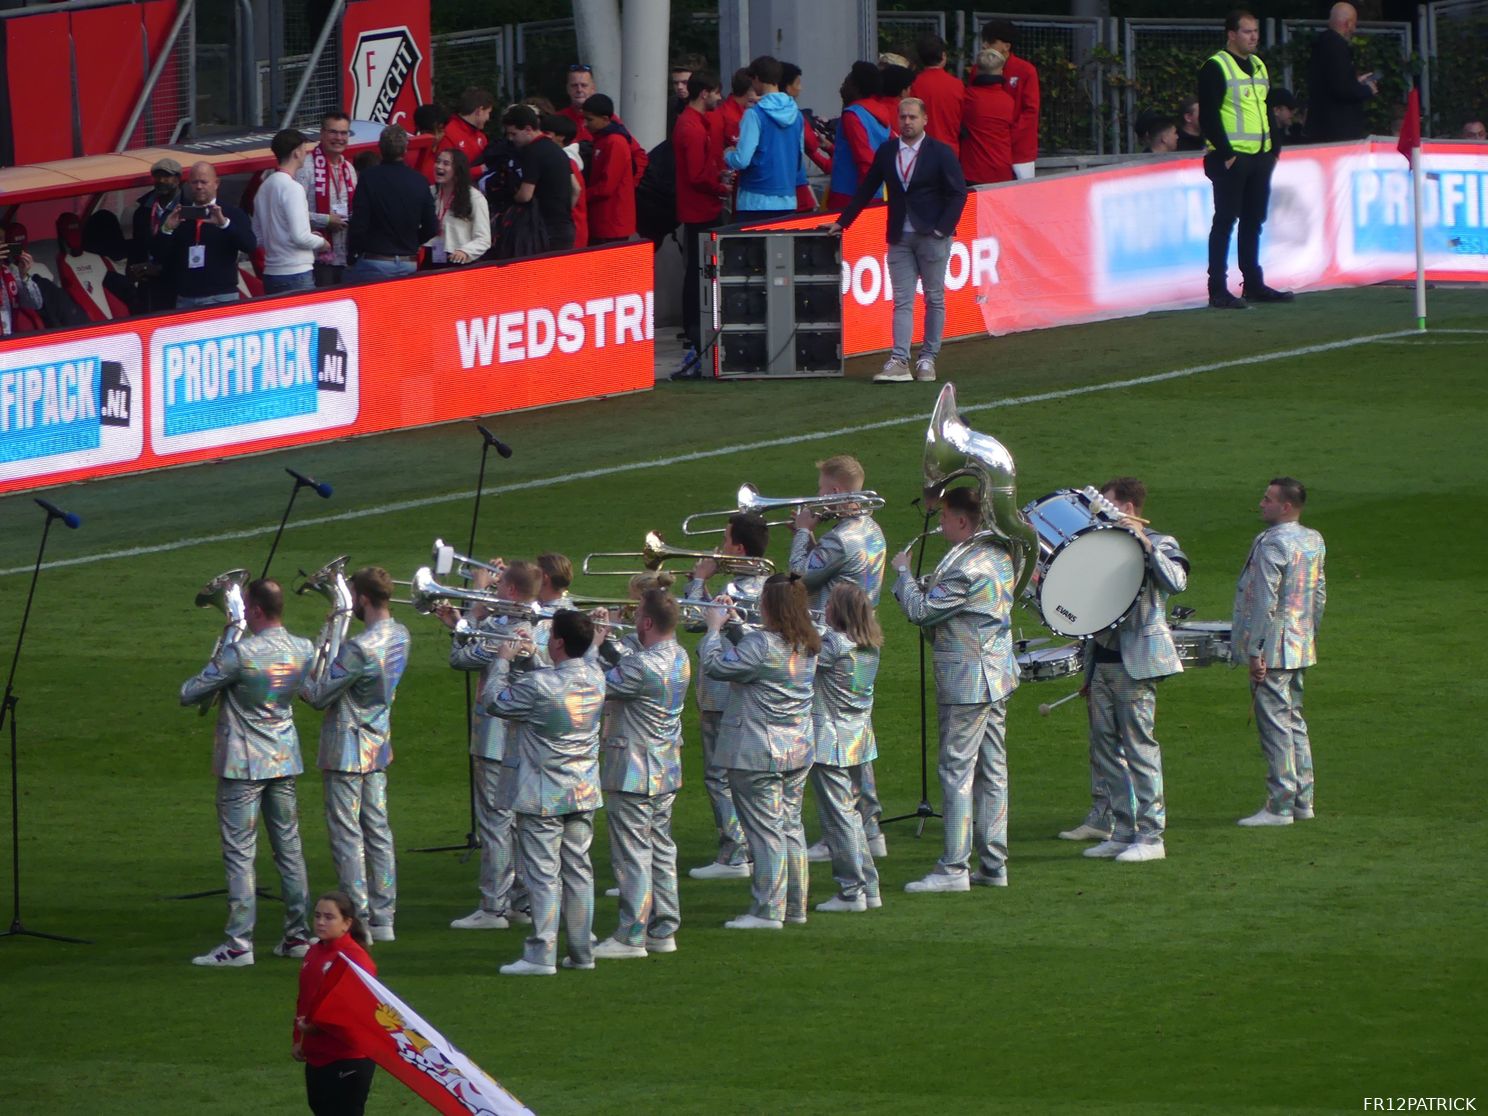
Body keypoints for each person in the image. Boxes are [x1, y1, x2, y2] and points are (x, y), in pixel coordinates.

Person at [180, 578, 314, 966]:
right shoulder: (303, 648)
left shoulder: (241, 654)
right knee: (290, 849)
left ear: (254, 610)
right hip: (284, 759)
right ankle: (297, 936)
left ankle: (239, 944)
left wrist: (225, 638)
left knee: (240, 853)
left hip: (242, 764)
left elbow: (190, 692)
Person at [891, 486, 1017, 892]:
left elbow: (920, 611)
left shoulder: (967, 567)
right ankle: (994, 865)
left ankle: (953, 868)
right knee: (993, 772)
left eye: (945, 517)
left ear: (963, 521)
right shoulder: (997, 555)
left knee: (957, 771)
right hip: (997, 677)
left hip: (967, 682)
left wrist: (903, 576)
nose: (939, 523)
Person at [1063, 479, 1188, 864]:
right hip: (1101, 663)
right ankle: (1123, 830)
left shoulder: (1162, 542)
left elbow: (1177, 582)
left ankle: (1152, 836)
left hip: (1136, 663)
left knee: (1139, 748)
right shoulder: (1100, 546)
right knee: (1105, 752)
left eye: (1110, 507)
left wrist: (1145, 544)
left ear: (1130, 508)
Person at [486, 610, 606, 975]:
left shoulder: (539, 687)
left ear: (557, 641)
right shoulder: (597, 676)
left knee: (543, 876)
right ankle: (582, 952)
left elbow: (495, 701)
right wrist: (533, 658)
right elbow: (555, 682)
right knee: (579, 872)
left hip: (542, 795)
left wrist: (503, 661)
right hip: (582, 790)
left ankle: (541, 954)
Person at [700, 573, 820, 930]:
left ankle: (768, 910)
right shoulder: (808, 641)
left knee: (765, 832)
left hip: (756, 750)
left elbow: (716, 666)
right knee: (789, 827)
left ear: (771, 606)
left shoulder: (763, 645)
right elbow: (755, 656)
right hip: (797, 747)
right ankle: (795, 906)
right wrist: (736, 625)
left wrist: (712, 631)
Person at [298, 567, 411, 940]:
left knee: (348, 836)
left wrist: (299, 671)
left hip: (346, 749)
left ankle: (357, 919)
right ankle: (385, 917)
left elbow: (317, 696)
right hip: (378, 745)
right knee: (378, 831)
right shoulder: (401, 635)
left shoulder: (359, 648)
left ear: (361, 599)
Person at [789, 454, 889, 860]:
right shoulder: (873, 529)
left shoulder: (839, 538)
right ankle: (870, 826)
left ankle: (839, 835)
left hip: (834, 644)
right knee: (857, 736)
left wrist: (802, 533)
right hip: (865, 639)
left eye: (820, 491)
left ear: (833, 492)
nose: (816, 498)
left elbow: (797, 577)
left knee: (832, 742)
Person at [827, 97, 968, 384]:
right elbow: (868, 188)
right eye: (902, 117)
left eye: (912, 117)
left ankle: (928, 358)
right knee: (902, 300)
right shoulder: (888, 151)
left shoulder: (940, 152)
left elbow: (958, 193)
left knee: (934, 297)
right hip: (899, 236)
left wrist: (942, 230)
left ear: (925, 119)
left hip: (932, 236)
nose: (907, 122)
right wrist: (843, 222)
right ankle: (900, 360)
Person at [591, 590, 691, 959]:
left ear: (647, 622)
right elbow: (628, 664)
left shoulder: (641, 667)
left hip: (632, 771)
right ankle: (663, 930)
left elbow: (591, 686)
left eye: (637, 619)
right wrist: (610, 640)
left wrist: (591, 646)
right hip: (665, 769)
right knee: (661, 850)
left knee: (632, 855)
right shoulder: (679, 657)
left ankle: (632, 935)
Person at [444, 560, 541, 930]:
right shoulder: (536, 623)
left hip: (495, 739)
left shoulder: (504, 631)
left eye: (500, 586)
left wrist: (471, 614)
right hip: (524, 740)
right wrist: (463, 624)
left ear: (513, 592)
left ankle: (493, 907)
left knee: (496, 824)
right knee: (515, 823)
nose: (494, 590)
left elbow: (461, 659)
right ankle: (519, 901)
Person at [1232, 477, 1326, 828]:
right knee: (1294, 721)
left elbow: (1263, 600)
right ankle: (1304, 800)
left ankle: (1280, 805)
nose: (1261, 503)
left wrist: (1255, 650)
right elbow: (1319, 594)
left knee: (1275, 726)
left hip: (1273, 647)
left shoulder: (1272, 543)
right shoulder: (1313, 539)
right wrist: (1309, 634)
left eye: (1268, 499)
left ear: (1285, 506)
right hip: (1301, 642)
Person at [685, 512, 770, 881]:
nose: (719, 548)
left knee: (719, 777)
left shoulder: (733, 591)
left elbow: (692, 618)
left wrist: (698, 582)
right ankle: (751, 846)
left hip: (720, 694)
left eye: (724, 540)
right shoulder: (772, 585)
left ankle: (734, 853)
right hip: (755, 693)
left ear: (738, 548)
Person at [1198, 10, 1291, 311]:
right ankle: (1217, 290)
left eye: (1256, 31)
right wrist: (1226, 154)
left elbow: (1266, 109)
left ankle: (1253, 283)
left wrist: (1272, 150)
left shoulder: (1258, 65)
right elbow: (1209, 116)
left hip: (1258, 157)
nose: (1254, 37)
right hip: (1232, 159)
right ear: (1231, 34)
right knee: (1225, 221)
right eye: (1248, 31)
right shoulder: (1216, 66)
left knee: (1253, 221)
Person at [810, 584, 883, 913]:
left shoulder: (834, 645)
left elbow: (795, 663)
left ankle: (852, 891)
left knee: (839, 819)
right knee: (851, 817)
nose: (824, 609)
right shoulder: (868, 643)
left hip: (831, 741)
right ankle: (868, 886)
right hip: (858, 738)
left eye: (829, 605)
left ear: (838, 612)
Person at [293, 891, 377, 1116]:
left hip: (348, 1056)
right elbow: (305, 998)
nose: (320, 922)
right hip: (317, 1052)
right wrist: (298, 1038)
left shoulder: (356, 960)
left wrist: (314, 1029)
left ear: (346, 923)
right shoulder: (314, 951)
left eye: (329, 917)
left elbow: (354, 1011)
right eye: (317, 916)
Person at [674, 71, 728, 377]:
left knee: (698, 271)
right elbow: (696, 175)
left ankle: (695, 329)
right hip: (699, 210)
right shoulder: (691, 127)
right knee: (698, 273)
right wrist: (721, 187)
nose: (719, 99)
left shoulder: (693, 123)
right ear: (705, 93)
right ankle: (694, 331)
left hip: (701, 207)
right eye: (716, 93)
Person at [154, 162, 256, 309]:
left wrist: (225, 225)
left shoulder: (231, 213)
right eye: (195, 182)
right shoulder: (178, 215)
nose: (199, 186)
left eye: (204, 182)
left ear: (216, 183)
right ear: (188, 184)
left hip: (221, 296)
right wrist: (167, 229)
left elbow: (249, 245)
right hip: (187, 297)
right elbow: (159, 256)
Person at [348, 126, 438, 281]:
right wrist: (411, 243)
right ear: (405, 150)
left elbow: (359, 223)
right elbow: (431, 226)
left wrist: (353, 252)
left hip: (374, 259)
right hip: (408, 261)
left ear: (380, 149)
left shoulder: (368, 178)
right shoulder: (419, 181)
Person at [725, 55, 805, 222]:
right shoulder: (797, 115)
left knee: (752, 248)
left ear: (757, 79)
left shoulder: (754, 115)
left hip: (754, 200)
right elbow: (798, 159)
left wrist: (728, 154)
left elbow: (742, 160)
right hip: (787, 198)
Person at [254, 129, 330, 295]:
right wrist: (321, 243)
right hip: (296, 273)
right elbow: (300, 237)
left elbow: (258, 238)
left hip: (271, 273)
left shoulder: (263, 188)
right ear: (296, 153)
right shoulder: (293, 188)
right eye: (304, 149)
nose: (306, 153)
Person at [295, 111, 357, 287]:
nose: (339, 138)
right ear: (322, 133)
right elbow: (293, 214)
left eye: (343, 133)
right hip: (315, 258)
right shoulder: (305, 167)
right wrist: (325, 220)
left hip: (345, 254)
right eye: (333, 132)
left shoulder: (349, 169)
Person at [503, 105, 578, 251]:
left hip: (543, 229)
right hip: (565, 226)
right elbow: (576, 189)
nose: (511, 139)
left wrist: (512, 197)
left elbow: (525, 195)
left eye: (514, 134)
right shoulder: (557, 149)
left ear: (528, 129)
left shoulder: (532, 152)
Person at [1305, 3, 1378, 143]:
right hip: (1338, 131)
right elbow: (1342, 89)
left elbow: (1331, 81)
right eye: (1354, 24)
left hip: (1321, 126)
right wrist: (1366, 89)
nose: (1354, 29)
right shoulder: (1337, 46)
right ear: (1348, 23)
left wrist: (1354, 82)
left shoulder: (1320, 44)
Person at [827, 63, 892, 211]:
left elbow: (864, 158)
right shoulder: (881, 112)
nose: (842, 88)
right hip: (876, 192)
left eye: (847, 82)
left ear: (856, 87)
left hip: (850, 195)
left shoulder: (853, 115)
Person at [980, 19, 1040, 179]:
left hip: (1019, 152)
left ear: (1007, 46)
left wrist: (1007, 138)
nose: (984, 45)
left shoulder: (1026, 71)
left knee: (1023, 199)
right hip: (989, 150)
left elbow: (1031, 111)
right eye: (984, 41)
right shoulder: (979, 69)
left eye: (991, 41)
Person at [583, 95, 646, 244]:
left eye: (590, 120)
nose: (586, 124)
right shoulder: (603, 139)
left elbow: (606, 187)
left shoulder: (615, 142)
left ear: (605, 119)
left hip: (612, 222)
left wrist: (582, 196)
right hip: (605, 220)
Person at [128, 157, 181, 311]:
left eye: (167, 176)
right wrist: (133, 271)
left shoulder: (186, 207)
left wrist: (162, 269)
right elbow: (137, 244)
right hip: (148, 281)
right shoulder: (142, 210)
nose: (161, 180)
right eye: (158, 176)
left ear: (177, 179)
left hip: (176, 280)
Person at [425, 147, 491, 266]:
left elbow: (484, 239)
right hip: (433, 255)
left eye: (446, 163)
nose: (439, 166)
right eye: (438, 161)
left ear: (458, 169)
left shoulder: (475, 198)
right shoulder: (430, 192)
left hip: (459, 259)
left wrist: (465, 251)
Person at [960, 48, 1016, 186]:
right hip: (1002, 170)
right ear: (1001, 71)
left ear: (977, 70)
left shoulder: (967, 97)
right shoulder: (1008, 101)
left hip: (973, 170)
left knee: (972, 208)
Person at [912, 33, 966, 157]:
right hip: (950, 149)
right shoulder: (957, 85)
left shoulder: (915, 84)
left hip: (921, 150)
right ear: (943, 56)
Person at [437, 87, 494, 164]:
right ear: (479, 111)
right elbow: (446, 172)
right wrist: (482, 169)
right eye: (488, 112)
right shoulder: (448, 135)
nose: (488, 118)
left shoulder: (481, 136)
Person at [0, 236, 42, 336]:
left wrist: (24, 276)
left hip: (10, 337)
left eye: (2, 241)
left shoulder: (11, 271)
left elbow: (36, 303)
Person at [559, 64, 599, 143]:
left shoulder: (606, 120)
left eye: (584, 85)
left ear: (593, 88)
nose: (579, 90)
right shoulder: (558, 119)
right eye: (574, 85)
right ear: (567, 89)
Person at [407, 102, 444, 183]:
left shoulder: (448, 152)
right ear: (418, 128)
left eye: (440, 130)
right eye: (430, 132)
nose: (437, 137)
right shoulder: (409, 156)